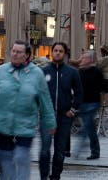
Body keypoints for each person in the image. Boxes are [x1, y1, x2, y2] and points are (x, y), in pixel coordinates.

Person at [0, 40, 56, 180]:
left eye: (19, 52)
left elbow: (45, 101)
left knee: (21, 156)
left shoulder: (37, 74)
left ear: (27, 55)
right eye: (13, 51)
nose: (15, 54)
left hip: (25, 125)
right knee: (5, 159)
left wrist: (50, 123)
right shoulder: (1, 71)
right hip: (3, 124)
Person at [39, 42, 83, 180]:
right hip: (47, 116)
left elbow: (79, 93)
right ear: (52, 52)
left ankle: (55, 176)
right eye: (56, 50)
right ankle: (44, 175)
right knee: (45, 149)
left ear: (65, 54)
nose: (58, 53)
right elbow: (37, 92)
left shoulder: (72, 72)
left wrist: (73, 110)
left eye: (61, 51)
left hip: (64, 116)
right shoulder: (44, 71)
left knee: (60, 149)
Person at [77, 50, 108, 160]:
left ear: (89, 60)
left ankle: (87, 148)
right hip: (82, 104)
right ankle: (93, 150)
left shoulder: (97, 72)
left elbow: (106, 88)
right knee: (89, 128)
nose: (82, 60)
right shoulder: (79, 72)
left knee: (87, 125)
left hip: (93, 103)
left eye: (84, 58)